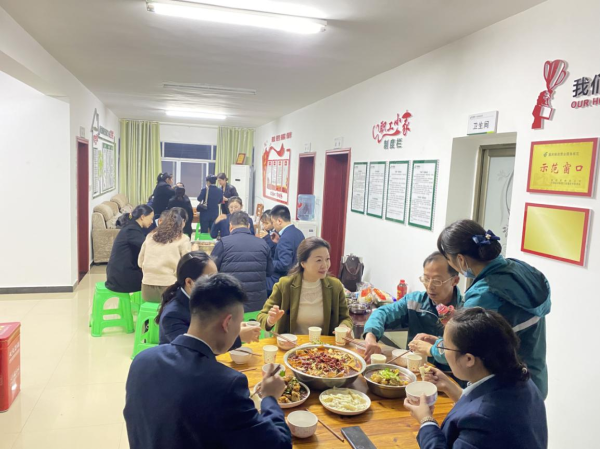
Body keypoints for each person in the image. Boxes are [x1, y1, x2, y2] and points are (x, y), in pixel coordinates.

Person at [124, 274, 292, 449]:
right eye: (240, 323)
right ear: (227, 323)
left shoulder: (142, 360)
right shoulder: (226, 384)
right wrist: (270, 398)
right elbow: (279, 444)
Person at [418, 219, 551, 398]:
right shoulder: (519, 270)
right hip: (535, 380)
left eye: (449, 260)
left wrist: (432, 349)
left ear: (460, 259)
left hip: (507, 389)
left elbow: (461, 348)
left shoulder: (485, 294)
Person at [404, 307, 547, 449]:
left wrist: (426, 420)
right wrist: (449, 386)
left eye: (444, 347)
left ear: (468, 359)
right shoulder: (522, 380)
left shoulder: (483, 420)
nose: (443, 351)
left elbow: (481, 414)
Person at [362, 252, 462, 364]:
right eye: (426, 279)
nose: (430, 286)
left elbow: (461, 352)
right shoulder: (415, 301)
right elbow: (383, 313)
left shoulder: (465, 310)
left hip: (450, 373)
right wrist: (370, 335)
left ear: (455, 280)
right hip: (414, 369)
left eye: (437, 281)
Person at [157, 251, 261, 347]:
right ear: (189, 282)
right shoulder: (172, 315)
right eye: (209, 279)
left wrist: (233, 328)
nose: (216, 284)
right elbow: (193, 350)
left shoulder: (204, 299)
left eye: (216, 277)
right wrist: (237, 336)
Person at [257, 237, 353, 336]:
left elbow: (345, 318)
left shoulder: (335, 286)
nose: (325, 265)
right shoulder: (285, 285)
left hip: (323, 345)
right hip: (291, 344)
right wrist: (270, 320)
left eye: (327, 259)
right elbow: (261, 316)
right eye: (318, 260)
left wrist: (343, 326)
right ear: (303, 263)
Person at [212, 212, 273, 312]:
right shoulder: (263, 243)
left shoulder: (223, 243)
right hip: (257, 303)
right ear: (248, 226)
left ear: (230, 226)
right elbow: (269, 272)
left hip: (230, 302)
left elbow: (211, 271)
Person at [138, 208, 191, 302]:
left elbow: (140, 262)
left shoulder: (150, 236)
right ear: (182, 222)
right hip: (169, 290)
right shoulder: (183, 239)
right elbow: (186, 267)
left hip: (147, 290)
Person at [106, 205, 155, 293]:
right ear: (142, 217)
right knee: (155, 279)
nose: (152, 222)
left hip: (118, 273)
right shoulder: (132, 230)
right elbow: (148, 247)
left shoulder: (132, 227)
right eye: (151, 218)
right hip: (121, 278)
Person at [266, 205, 305, 292]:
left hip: (284, 280)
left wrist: (268, 262)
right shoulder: (298, 233)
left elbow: (284, 264)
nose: (273, 226)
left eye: (273, 222)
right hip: (297, 277)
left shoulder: (285, 238)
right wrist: (278, 242)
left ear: (279, 221)